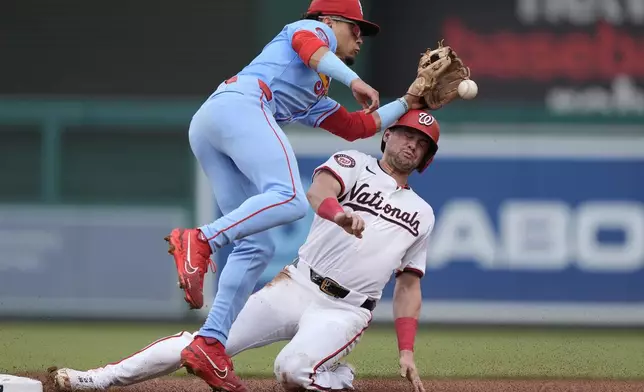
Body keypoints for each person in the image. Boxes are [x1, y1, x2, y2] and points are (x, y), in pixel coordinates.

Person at [51, 109, 439, 392]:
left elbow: (408, 287)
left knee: (291, 373)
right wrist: (338, 216)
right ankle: (98, 379)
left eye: (422, 144)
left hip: (346, 310)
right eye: (407, 135)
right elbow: (318, 192)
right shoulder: (354, 162)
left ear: (425, 159)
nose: (412, 145)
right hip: (296, 284)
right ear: (387, 135)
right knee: (204, 342)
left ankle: (336, 375)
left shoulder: (422, 213)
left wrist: (406, 351)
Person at [163, 0, 428, 390]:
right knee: (288, 198)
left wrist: (408, 102)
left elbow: (357, 127)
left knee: (256, 246)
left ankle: (211, 343)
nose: (360, 38)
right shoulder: (310, 33)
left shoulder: (313, 90)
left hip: (210, 124)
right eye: (355, 29)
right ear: (330, 20)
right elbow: (312, 49)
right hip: (243, 106)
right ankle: (201, 239)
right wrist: (353, 81)